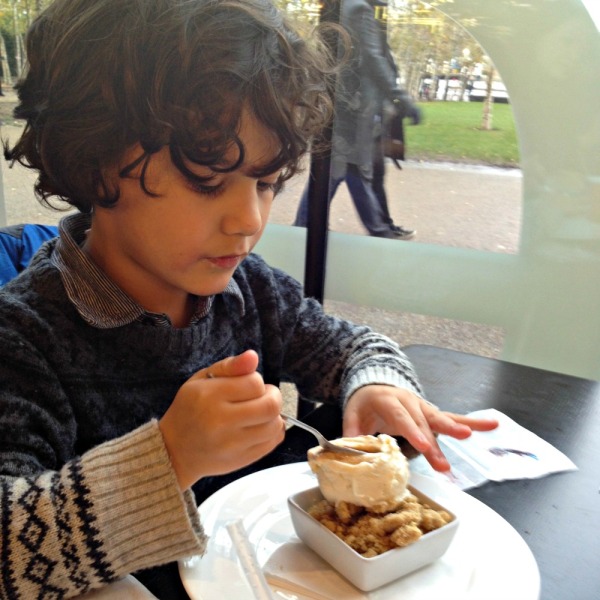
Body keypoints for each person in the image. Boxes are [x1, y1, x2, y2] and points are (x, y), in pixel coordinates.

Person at [0, 0, 497, 598]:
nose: (248, 220)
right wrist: (169, 457)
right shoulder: (26, 338)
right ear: (92, 160)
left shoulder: (247, 289)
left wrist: (375, 384)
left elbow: (353, 345)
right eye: (207, 182)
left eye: (266, 183)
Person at [294, 0, 416, 240]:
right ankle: (379, 231)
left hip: (345, 109)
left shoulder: (346, 7)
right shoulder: (359, 9)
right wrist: (401, 98)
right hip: (354, 111)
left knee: (345, 171)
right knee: (351, 171)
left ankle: (304, 228)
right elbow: (373, 59)